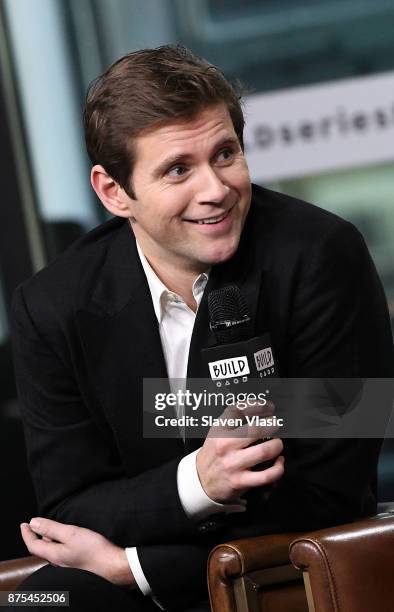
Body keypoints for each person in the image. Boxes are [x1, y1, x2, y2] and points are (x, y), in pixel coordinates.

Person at [10, 45, 394, 611]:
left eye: (226, 154)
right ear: (114, 191)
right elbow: (69, 507)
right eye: (178, 169)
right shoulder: (51, 307)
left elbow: (328, 486)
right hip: (136, 591)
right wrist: (199, 484)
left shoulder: (319, 255)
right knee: (33, 603)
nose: (215, 189)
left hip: (287, 573)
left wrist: (133, 567)